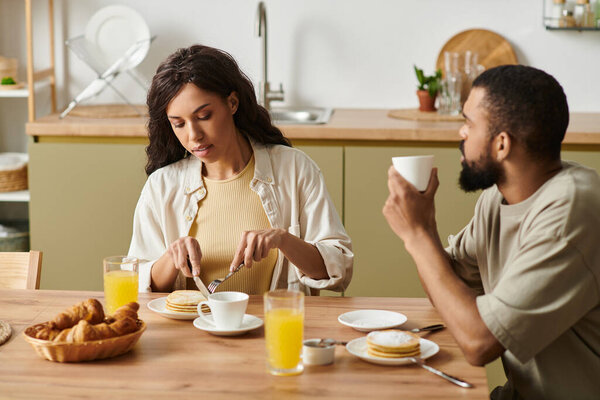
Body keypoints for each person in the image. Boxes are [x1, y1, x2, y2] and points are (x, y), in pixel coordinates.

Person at [382, 65, 600, 399]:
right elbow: (450, 287)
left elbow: (479, 343)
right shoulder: (496, 199)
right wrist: (425, 225)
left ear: (501, 145)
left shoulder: (570, 213)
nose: (461, 133)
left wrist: (416, 236)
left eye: (469, 123)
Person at [129, 44, 352, 295]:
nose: (194, 136)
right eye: (179, 124)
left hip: (275, 328)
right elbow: (140, 288)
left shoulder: (295, 169)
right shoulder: (161, 186)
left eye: (204, 116)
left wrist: (283, 240)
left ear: (232, 103)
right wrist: (171, 258)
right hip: (192, 331)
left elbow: (339, 271)